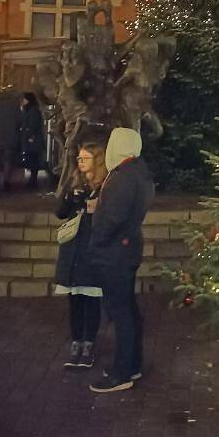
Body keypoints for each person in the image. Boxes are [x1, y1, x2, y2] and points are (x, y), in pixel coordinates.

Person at [89, 127, 154, 394]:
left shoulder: (123, 177)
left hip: (115, 252)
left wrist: (99, 233)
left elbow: (113, 218)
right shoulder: (138, 172)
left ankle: (122, 371)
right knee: (127, 308)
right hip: (126, 248)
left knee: (120, 311)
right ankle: (132, 363)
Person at [53, 143, 105, 369]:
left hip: (92, 248)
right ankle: (76, 341)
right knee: (74, 298)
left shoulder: (105, 186)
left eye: (86, 158)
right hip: (73, 248)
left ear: (97, 160)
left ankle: (89, 343)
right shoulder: (74, 183)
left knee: (91, 298)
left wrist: (96, 209)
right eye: (79, 157)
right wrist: (70, 197)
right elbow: (60, 213)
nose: (80, 161)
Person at [0, 89, 22, 191]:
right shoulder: (14, 107)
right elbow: (20, 120)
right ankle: (6, 180)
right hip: (10, 138)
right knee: (8, 160)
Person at [20, 92, 45, 190]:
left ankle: (33, 181)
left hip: (33, 141)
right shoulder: (30, 110)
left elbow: (32, 126)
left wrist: (26, 134)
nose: (23, 101)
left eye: (24, 99)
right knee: (32, 160)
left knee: (33, 160)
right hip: (32, 141)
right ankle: (32, 180)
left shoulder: (33, 111)